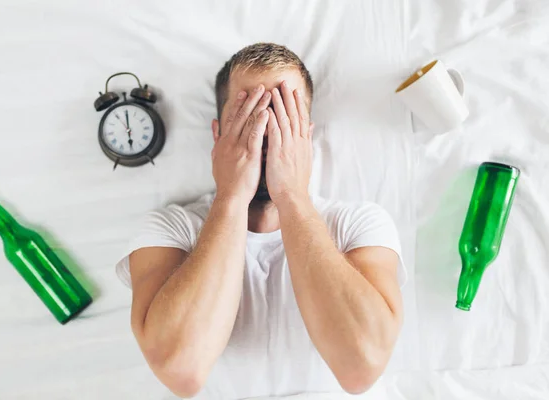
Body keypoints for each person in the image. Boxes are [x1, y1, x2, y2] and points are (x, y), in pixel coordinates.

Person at [116, 43, 406, 399]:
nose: (264, 135)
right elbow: (181, 371)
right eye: (249, 117)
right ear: (218, 133)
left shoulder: (358, 225)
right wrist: (231, 196)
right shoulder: (169, 230)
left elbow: (360, 367)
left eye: (284, 117)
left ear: (306, 135)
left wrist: (293, 196)